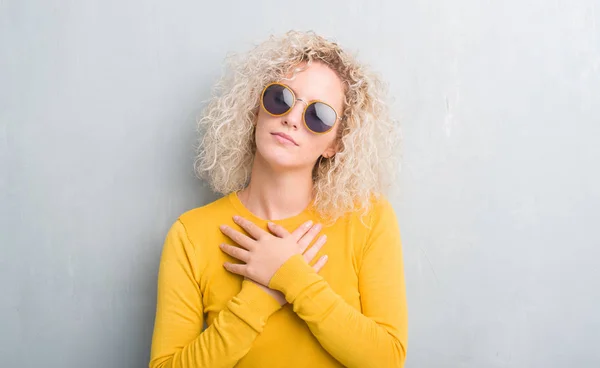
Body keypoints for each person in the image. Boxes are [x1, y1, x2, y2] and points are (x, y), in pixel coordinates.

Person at [149, 30, 408, 368]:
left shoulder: (368, 218)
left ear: (334, 144)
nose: (291, 118)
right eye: (280, 98)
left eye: (318, 115)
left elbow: (387, 360)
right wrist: (258, 298)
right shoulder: (190, 235)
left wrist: (292, 277)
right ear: (255, 110)